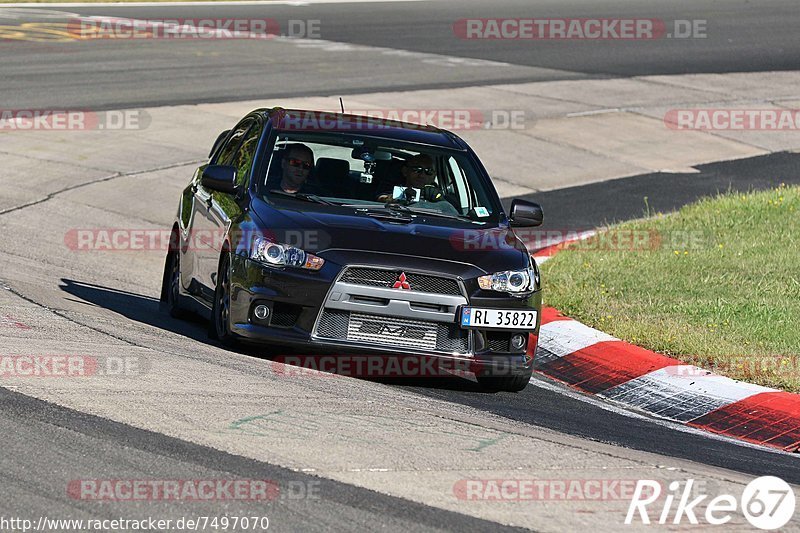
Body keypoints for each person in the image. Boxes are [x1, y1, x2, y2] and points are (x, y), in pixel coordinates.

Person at [376, 154, 442, 203]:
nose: (422, 175)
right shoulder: (393, 188)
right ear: (405, 171)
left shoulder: (437, 193)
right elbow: (382, 197)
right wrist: (395, 198)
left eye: (429, 171)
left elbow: (448, 210)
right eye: (416, 169)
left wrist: (438, 198)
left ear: (434, 175)